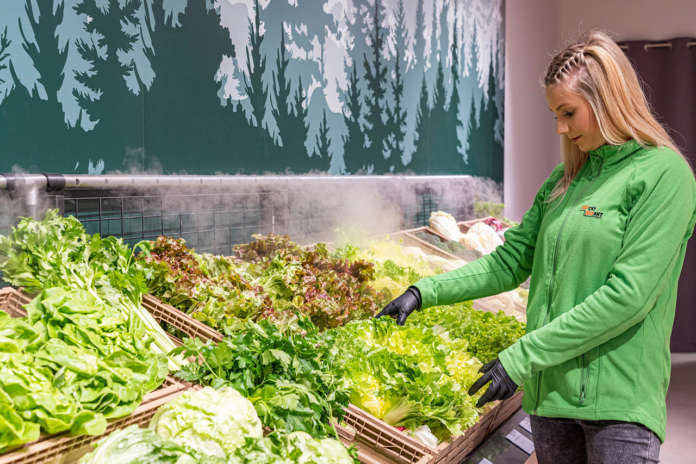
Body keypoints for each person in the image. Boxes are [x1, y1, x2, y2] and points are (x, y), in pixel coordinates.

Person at [376, 30, 695, 464]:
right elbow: (508, 263)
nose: (561, 128)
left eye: (569, 112)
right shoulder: (564, 181)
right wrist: (423, 292)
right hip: (550, 403)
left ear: (607, 100)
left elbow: (629, 297)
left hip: (619, 408)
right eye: (554, 116)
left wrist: (520, 357)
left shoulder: (663, 175)